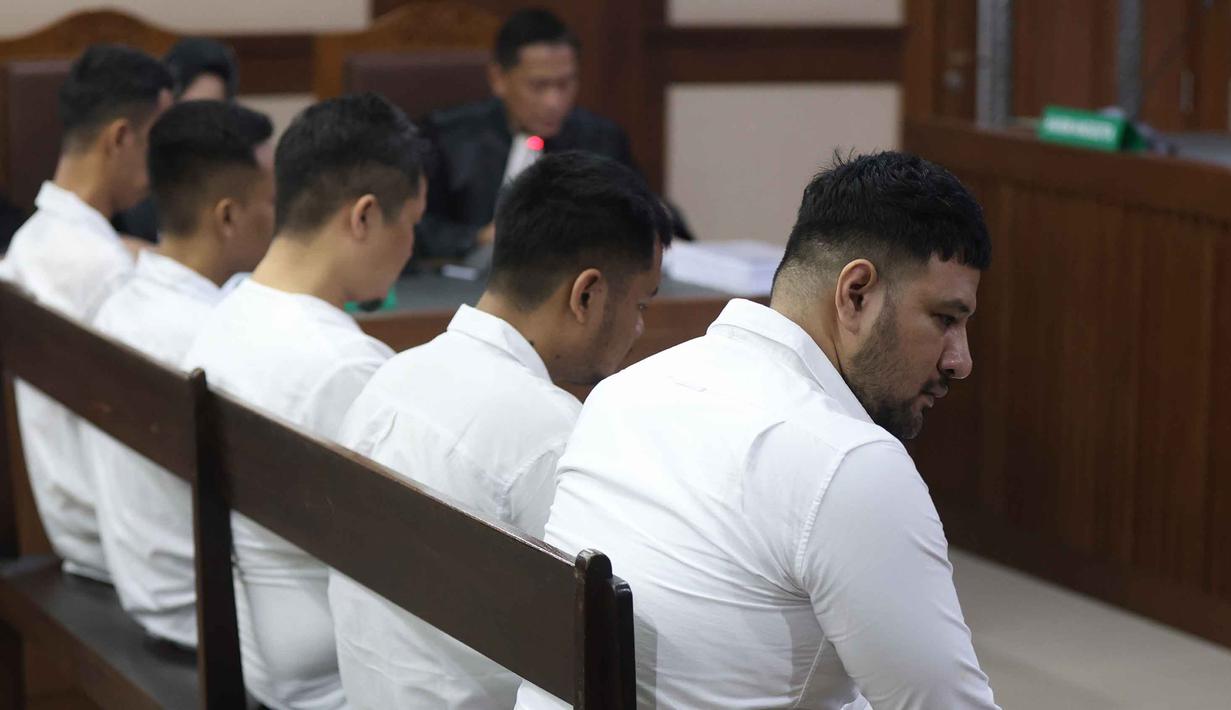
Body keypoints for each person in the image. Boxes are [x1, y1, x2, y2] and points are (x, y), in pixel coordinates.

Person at [515, 152, 1002, 709]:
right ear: (856, 294)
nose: (960, 360)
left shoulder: (624, 391)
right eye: (945, 318)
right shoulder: (850, 463)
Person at [329, 151, 670, 709]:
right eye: (640, 304)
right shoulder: (554, 437)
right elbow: (632, 646)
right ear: (586, 295)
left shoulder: (392, 375)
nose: (638, 328)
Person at [183, 93, 428, 709]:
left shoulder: (227, 312)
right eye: (412, 222)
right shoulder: (344, 365)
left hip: (263, 648)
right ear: (365, 217)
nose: (411, 245)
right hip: (328, 674)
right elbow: (424, 556)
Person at [81, 100, 275, 649]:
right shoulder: (219, 341)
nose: (280, 216)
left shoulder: (120, 303)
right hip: (205, 616)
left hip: (146, 584)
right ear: (229, 216)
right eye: (272, 199)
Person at [0, 44, 173, 582]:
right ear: (122, 138)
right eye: (158, 141)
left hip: (60, 513)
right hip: (106, 539)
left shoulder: (31, 241)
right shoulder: (103, 271)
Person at [417, 8, 636, 260]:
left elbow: (642, 218)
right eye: (539, 86)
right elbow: (411, 227)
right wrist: (476, 238)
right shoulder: (447, 137)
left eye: (565, 84)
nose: (554, 102)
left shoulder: (602, 139)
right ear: (498, 78)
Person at [114, 37, 240, 241]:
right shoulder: (131, 180)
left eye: (210, 113)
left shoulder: (239, 183)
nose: (197, 127)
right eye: (186, 111)